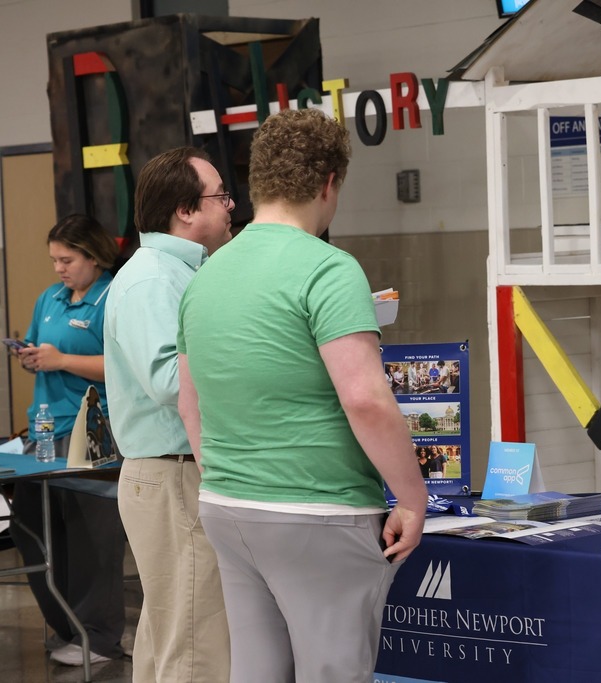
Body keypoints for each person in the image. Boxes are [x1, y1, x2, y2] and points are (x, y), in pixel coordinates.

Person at [176, 108, 427, 683]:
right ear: (328, 183)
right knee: (333, 671)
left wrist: (235, 475)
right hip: (318, 509)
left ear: (255, 182)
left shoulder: (206, 277)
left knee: (258, 671)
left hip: (228, 504)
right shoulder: (329, 270)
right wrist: (412, 499)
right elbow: (365, 398)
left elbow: (191, 404)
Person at [103, 146, 233, 682]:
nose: (231, 206)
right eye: (221, 196)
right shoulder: (155, 279)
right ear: (185, 209)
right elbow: (166, 381)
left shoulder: (178, 273)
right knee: (197, 646)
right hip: (173, 473)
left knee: (171, 637)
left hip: (175, 473)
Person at [8, 214, 125, 666]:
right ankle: (67, 625)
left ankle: (100, 638)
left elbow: (122, 366)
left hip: (96, 432)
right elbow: (44, 350)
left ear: (94, 256)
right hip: (45, 430)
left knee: (91, 539)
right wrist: (32, 358)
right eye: (54, 259)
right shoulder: (50, 298)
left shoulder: (113, 296)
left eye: (68, 259)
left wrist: (62, 361)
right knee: (33, 529)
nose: (59, 268)